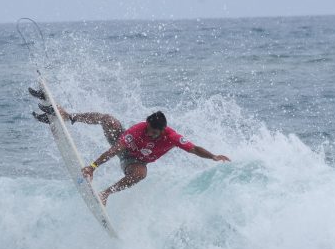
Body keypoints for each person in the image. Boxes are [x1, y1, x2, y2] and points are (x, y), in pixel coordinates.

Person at [29, 87, 231, 205]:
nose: (149, 133)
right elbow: (115, 150)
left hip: (136, 161)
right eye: (148, 129)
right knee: (109, 120)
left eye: (153, 132)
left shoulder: (171, 137)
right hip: (124, 148)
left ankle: (106, 193)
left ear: (163, 131)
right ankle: (68, 116)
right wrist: (92, 167)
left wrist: (213, 156)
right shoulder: (137, 130)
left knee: (141, 174)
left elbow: (194, 148)